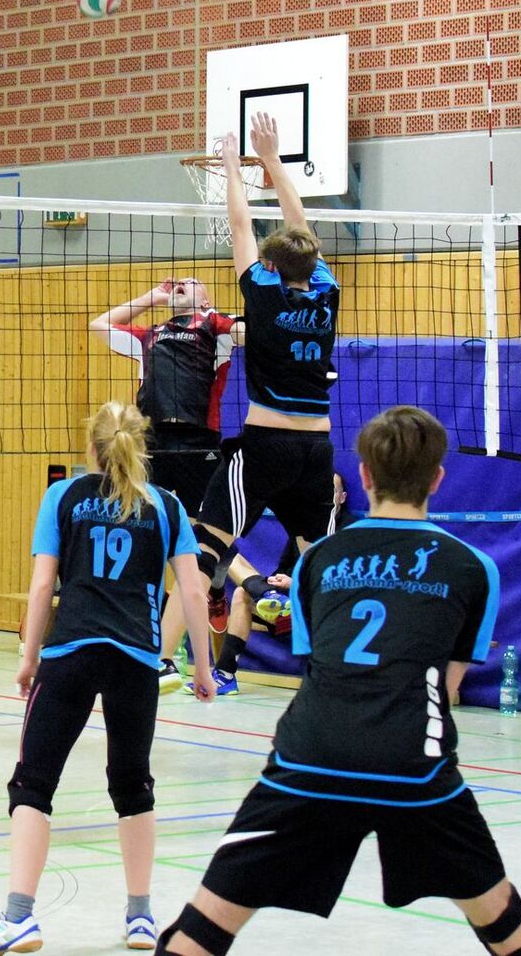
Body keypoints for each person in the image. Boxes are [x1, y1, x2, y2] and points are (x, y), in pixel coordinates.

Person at [155, 406, 521, 956]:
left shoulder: (318, 559)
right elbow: (450, 687)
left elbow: (320, 663)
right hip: (415, 768)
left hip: (310, 759)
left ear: (364, 476)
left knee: (200, 930)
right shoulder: (472, 567)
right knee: (508, 927)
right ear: (438, 478)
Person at [0, 401, 216, 956]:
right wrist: (203, 668)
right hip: (136, 660)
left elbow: (41, 585)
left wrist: (28, 657)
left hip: (70, 651)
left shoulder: (63, 496)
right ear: (139, 446)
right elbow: (194, 592)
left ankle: (19, 918)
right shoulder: (167, 506)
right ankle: (142, 917)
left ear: (90, 449)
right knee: (132, 783)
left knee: (33, 783)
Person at [186, 112, 341, 650]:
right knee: (318, 561)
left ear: (272, 269)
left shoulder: (264, 293)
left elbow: (239, 225)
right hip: (317, 449)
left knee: (208, 543)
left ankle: (176, 655)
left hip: (266, 447)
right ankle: (334, 667)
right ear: (311, 263)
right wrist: (272, 160)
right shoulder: (326, 291)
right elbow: (300, 230)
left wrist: (232, 165)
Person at [89, 278, 244, 694]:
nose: (181, 285)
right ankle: (149, 648)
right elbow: (99, 324)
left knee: (208, 535)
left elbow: (250, 332)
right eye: (176, 284)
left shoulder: (215, 329)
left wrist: (221, 314)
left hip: (199, 447)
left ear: (207, 298)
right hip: (152, 446)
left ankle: (214, 588)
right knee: (149, 539)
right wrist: (150, 299)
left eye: (193, 284)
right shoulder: (149, 336)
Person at [193, 472, 355, 696]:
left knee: (244, 588)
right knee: (233, 572)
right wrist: (277, 581)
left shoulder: (349, 531)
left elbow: (339, 581)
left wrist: (293, 583)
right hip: (285, 604)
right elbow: (283, 568)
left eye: (332, 491)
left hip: (315, 608)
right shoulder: (303, 526)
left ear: (342, 497)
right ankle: (225, 675)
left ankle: (265, 593)